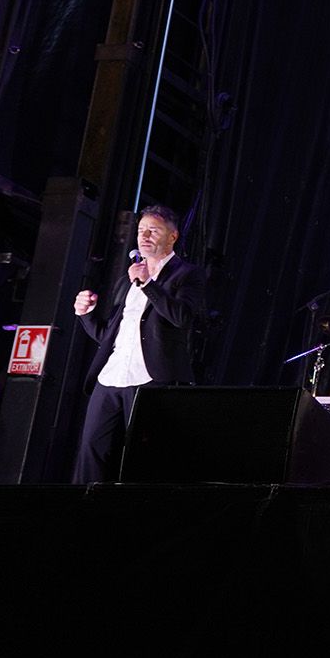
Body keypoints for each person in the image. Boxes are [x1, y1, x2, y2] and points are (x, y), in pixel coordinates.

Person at [70, 204, 207, 483]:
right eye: (141, 230)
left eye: (153, 230)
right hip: (111, 377)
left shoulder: (187, 274)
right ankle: (81, 512)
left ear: (173, 237)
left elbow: (182, 317)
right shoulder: (127, 280)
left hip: (150, 379)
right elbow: (109, 335)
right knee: (91, 450)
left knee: (142, 456)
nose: (144, 236)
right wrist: (85, 314)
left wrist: (148, 286)